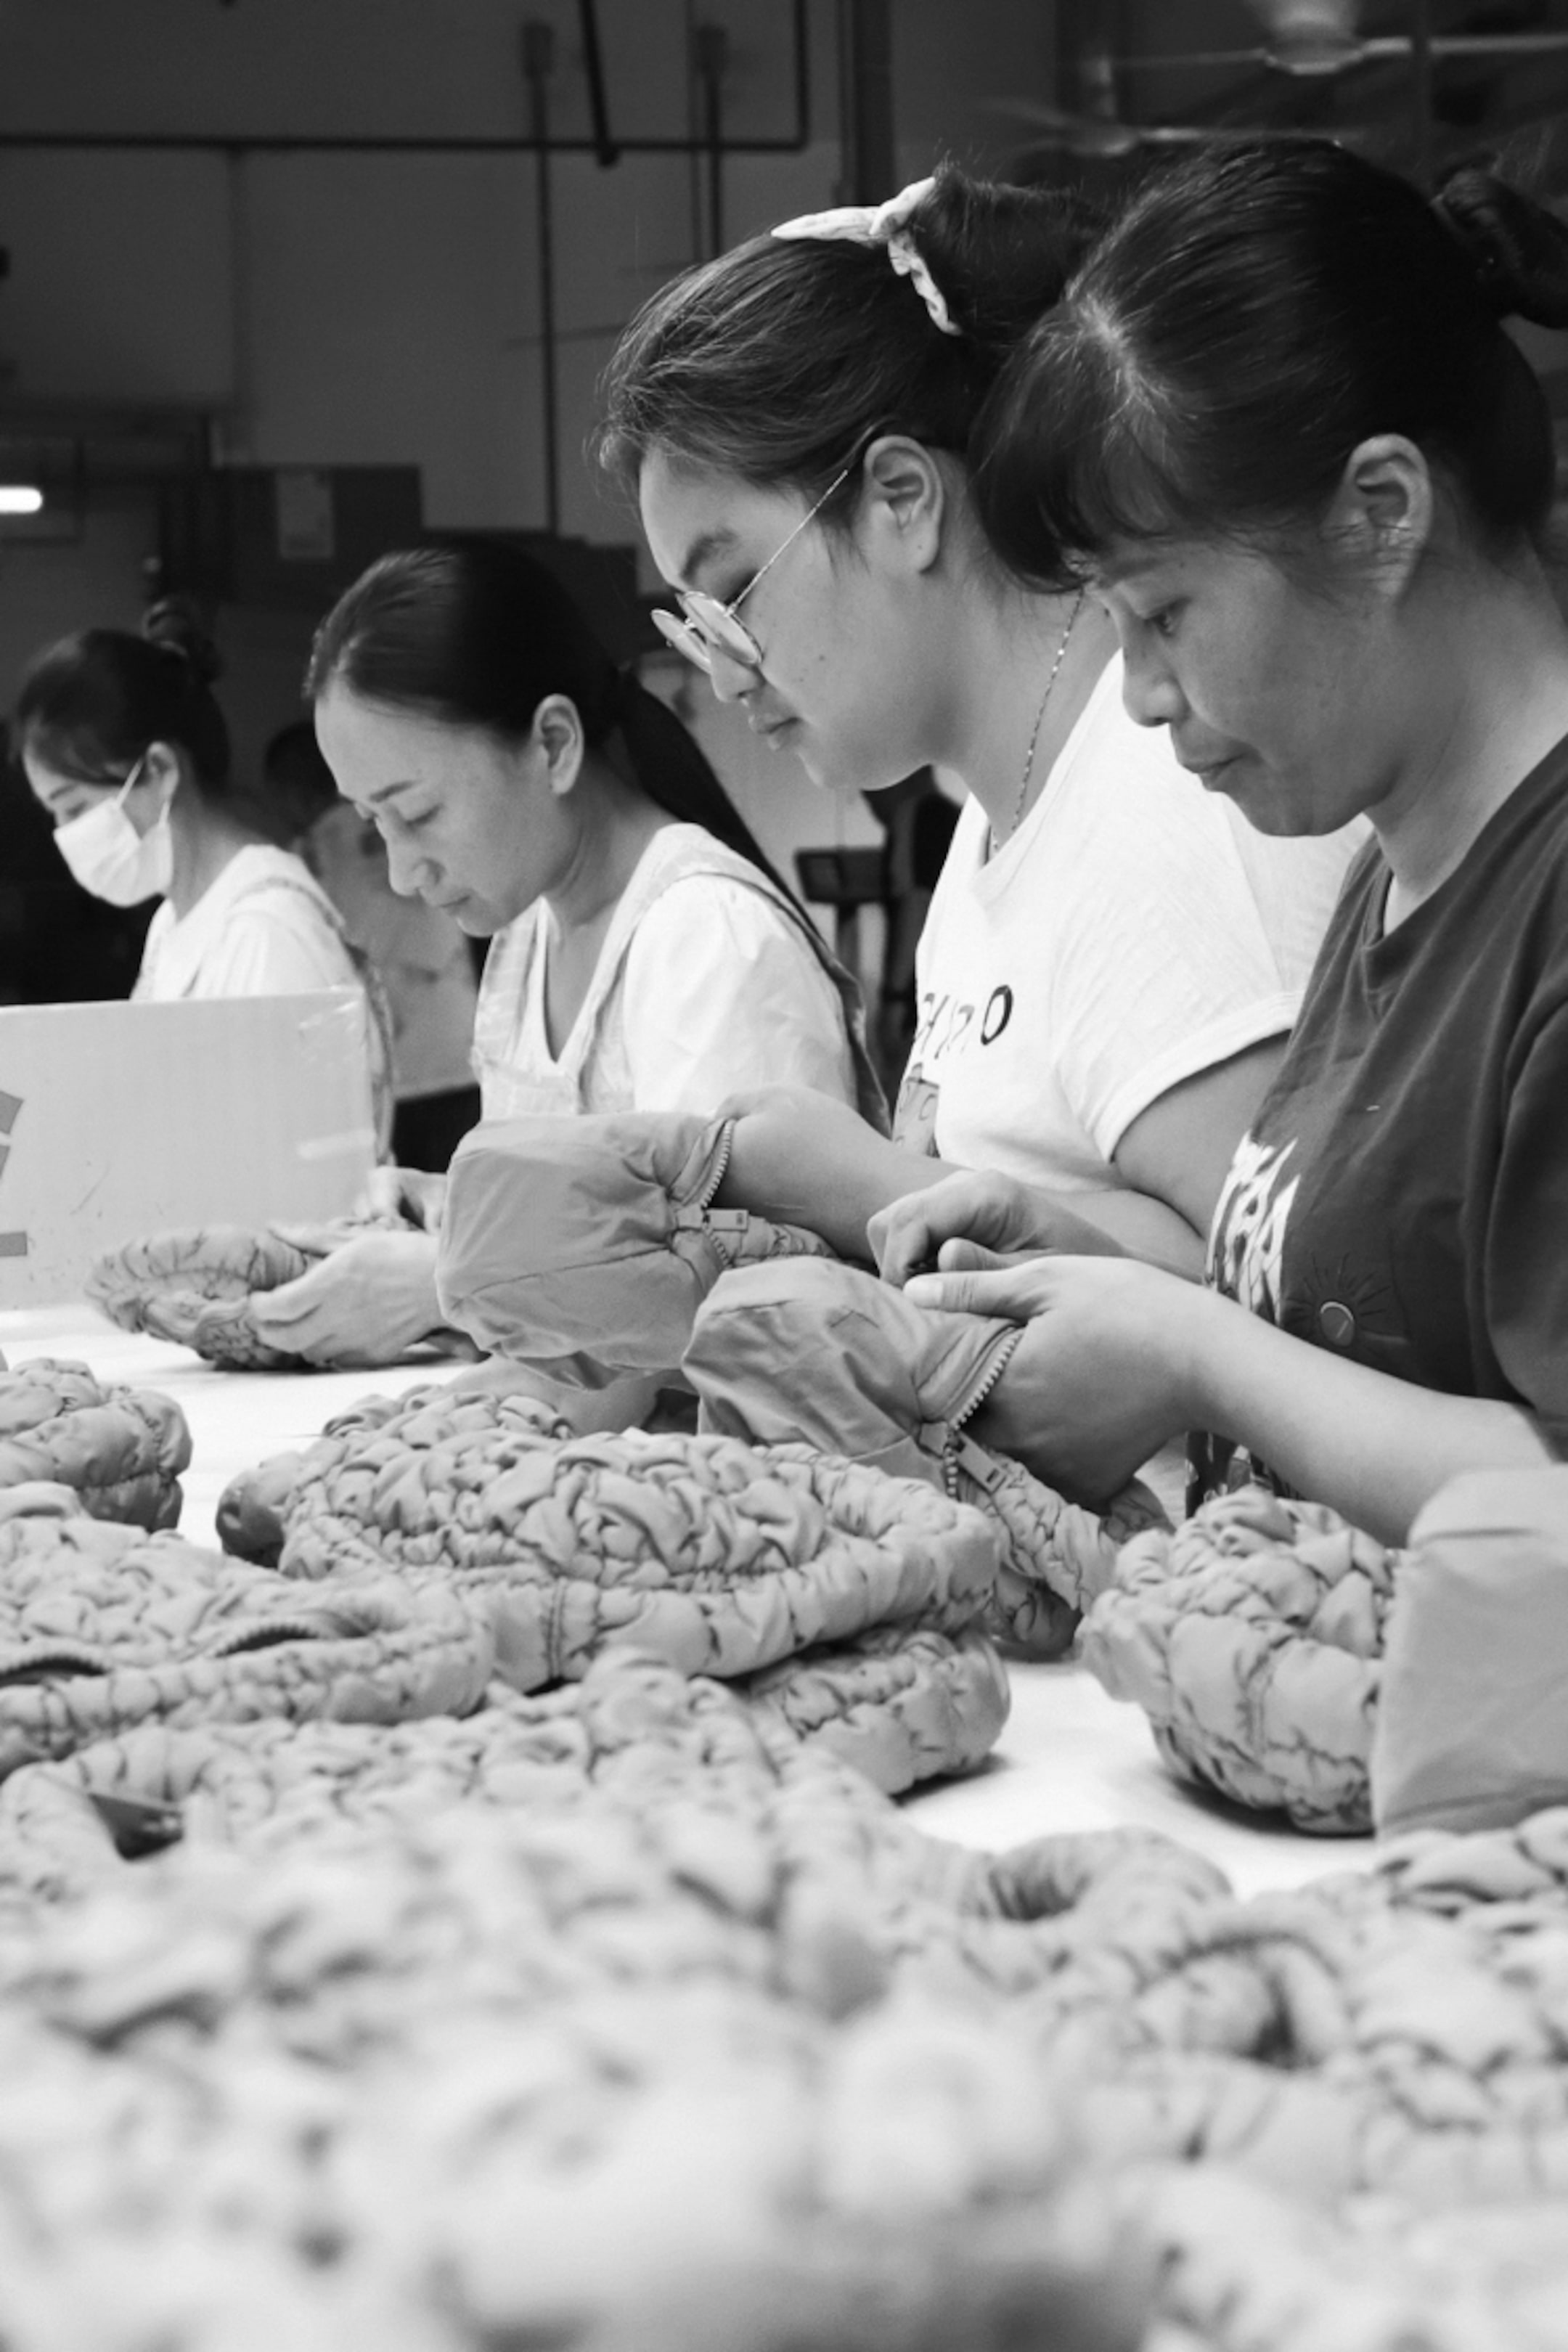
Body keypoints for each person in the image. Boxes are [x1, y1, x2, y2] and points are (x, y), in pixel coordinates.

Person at [885, 141, 1568, 1548]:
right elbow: (1370, 1333)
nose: (1137, 696)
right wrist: (1098, 1265)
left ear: (1381, 514)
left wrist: (1196, 1360)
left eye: (1165, 612)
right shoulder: (1393, 861)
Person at [600, 167, 1363, 1283]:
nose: (725, 674)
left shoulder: (1172, 794)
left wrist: (863, 1184)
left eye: (734, 595)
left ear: (903, 498)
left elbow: (1289, 1284)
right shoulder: (995, 815)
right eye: (693, 628)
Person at [248, 539, 878, 1368]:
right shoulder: (526, 932)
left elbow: (749, 1296)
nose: (403, 873)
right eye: (375, 825)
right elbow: (585, 1221)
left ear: (552, 744)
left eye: (420, 812)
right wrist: (448, 1216)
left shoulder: (706, 937)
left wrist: (444, 1284)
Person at [17, 601, 371, 1015]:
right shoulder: (174, 920)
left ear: (160, 769)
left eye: (75, 808)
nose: (65, 834)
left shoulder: (268, 930)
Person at [261, 720, 481, 1173]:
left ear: (293, 794)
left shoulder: (305, 857)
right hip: (464, 1056)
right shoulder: (407, 824)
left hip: (395, 1078)